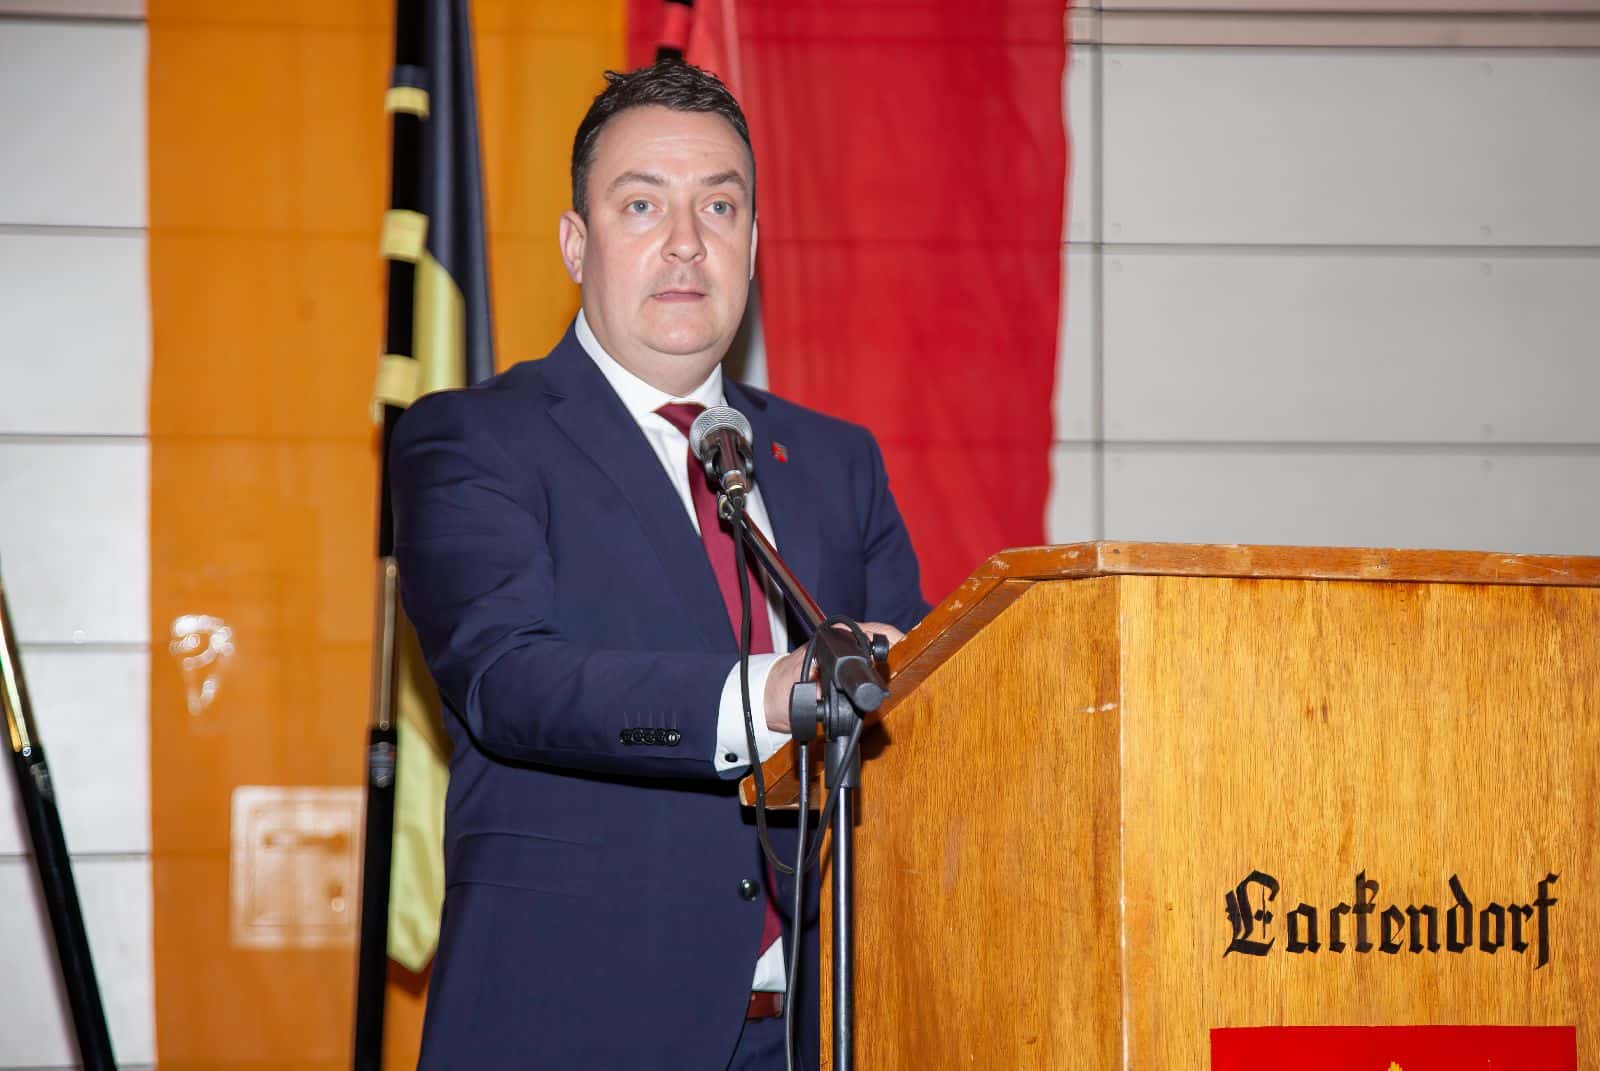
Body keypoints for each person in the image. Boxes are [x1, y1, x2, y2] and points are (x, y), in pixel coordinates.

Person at [390, 60, 927, 1069]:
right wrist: (768, 693)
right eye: (642, 204)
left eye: (719, 207)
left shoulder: (833, 461)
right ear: (576, 242)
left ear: (752, 245)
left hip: (822, 1029)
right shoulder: (472, 439)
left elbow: (921, 711)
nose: (687, 241)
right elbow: (508, 679)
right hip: (576, 1027)